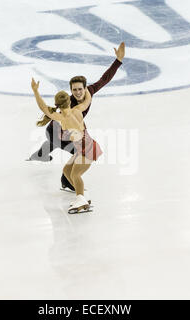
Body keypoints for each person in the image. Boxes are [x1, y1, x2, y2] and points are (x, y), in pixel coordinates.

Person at [28, 42, 125, 192]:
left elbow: (105, 79)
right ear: (70, 90)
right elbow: (50, 112)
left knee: (73, 147)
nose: (78, 92)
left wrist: (118, 61)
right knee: (79, 153)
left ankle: (41, 154)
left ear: (85, 87)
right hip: (56, 133)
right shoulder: (69, 103)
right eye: (74, 90)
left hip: (61, 132)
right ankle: (67, 181)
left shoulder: (89, 92)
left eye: (80, 89)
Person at [31, 78, 102, 213]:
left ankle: (81, 198)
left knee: (75, 175)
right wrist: (86, 89)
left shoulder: (60, 118)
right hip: (83, 147)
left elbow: (44, 108)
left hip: (87, 149)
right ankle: (82, 195)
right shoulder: (77, 110)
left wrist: (35, 91)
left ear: (57, 104)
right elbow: (88, 101)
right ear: (69, 101)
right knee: (67, 171)